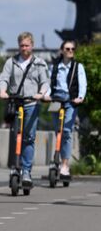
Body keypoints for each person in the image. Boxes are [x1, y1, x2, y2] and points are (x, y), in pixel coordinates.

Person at [0, 32, 50, 186]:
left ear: (32, 46)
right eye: (21, 45)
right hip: (16, 103)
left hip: (31, 104)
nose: (24, 48)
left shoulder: (39, 63)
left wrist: (41, 93)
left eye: (27, 45)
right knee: (16, 136)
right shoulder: (11, 62)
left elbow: (45, 81)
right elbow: (4, 78)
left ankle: (26, 170)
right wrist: (2, 90)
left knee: (29, 137)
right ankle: (15, 166)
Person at [46, 40, 87, 176]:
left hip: (70, 100)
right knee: (58, 131)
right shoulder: (54, 67)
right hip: (56, 99)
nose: (70, 51)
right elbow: (48, 82)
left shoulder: (78, 66)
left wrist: (80, 97)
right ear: (62, 50)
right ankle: (57, 159)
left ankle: (65, 164)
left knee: (67, 132)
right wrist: (46, 95)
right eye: (68, 49)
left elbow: (83, 84)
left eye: (72, 49)